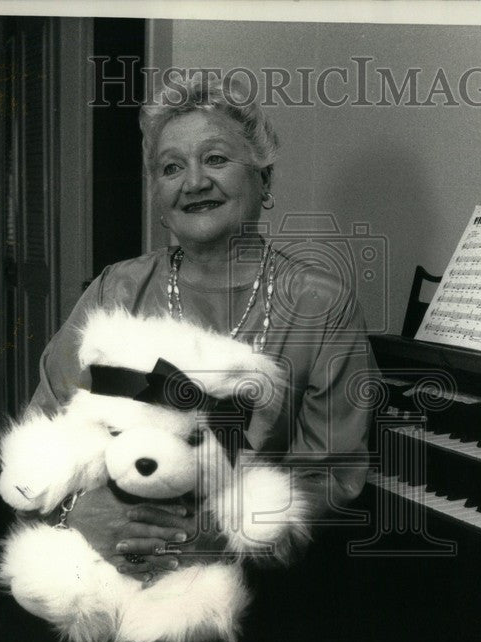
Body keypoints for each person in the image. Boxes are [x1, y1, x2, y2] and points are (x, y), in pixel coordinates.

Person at [24, 72, 376, 586]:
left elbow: (331, 474)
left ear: (266, 180)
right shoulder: (114, 292)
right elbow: (44, 428)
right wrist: (78, 513)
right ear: (159, 198)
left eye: (215, 158)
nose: (193, 182)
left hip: (242, 581)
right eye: (171, 168)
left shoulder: (321, 306)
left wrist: (202, 534)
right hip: (100, 567)